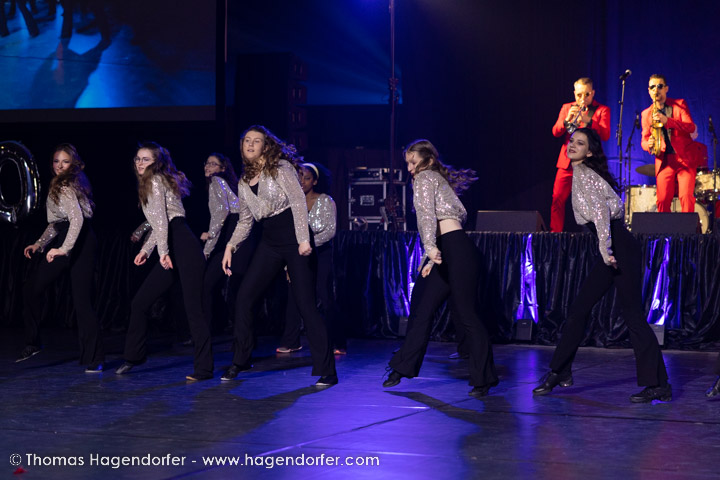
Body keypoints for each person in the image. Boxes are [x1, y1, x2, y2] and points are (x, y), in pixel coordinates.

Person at [533, 128, 671, 402]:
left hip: (618, 247)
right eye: (572, 141)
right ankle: (560, 371)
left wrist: (606, 251)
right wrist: (606, 250)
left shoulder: (586, 176)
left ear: (589, 152)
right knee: (579, 309)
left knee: (633, 316)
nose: (573, 145)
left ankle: (659, 385)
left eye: (580, 143)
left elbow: (601, 216)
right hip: (611, 246)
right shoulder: (580, 174)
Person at [221, 125, 337, 386]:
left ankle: (327, 369)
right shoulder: (243, 181)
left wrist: (303, 239)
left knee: (306, 304)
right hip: (270, 241)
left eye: (256, 141)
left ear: (266, 146)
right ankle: (241, 359)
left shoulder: (281, 168)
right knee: (244, 297)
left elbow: (297, 202)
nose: (250, 144)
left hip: (294, 236)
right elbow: (245, 221)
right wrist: (230, 246)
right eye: (247, 140)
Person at [383, 139, 498, 397]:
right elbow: (447, 219)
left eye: (413, 163)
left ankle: (484, 377)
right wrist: (430, 257)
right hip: (450, 249)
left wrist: (429, 248)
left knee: (466, 314)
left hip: (454, 249)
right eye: (407, 164)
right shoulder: (438, 180)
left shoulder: (425, 178)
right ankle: (402, 366)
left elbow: (426, 217)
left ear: (428, 161)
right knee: (423, 305)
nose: (410, 169)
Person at [116, 142, 213, 381]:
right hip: (170, 244)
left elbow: (163, 222)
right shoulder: (150, 183)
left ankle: (204, 369)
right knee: (140, 302)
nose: (139, 163)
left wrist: (161, 252)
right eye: (137, 158)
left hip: (182, 245)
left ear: (156, 163)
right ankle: (134, 356)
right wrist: (147, 251)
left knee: (193, 310)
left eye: (145, 159)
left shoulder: (156, 180)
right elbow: (159, 223)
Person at [18, 143, 104, 372]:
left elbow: (77, 220)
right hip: (70, 236)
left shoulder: (66, 185)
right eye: (56, 161)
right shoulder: (61, 183)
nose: (59, 165)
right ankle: (33, 343)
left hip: (81, 240)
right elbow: (57, 223)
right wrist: (39, 244)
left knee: (82, 301)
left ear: (73, 164)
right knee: (32, 288)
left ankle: (94, 358)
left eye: (65, 161)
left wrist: (64, 249)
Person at [278, 162, 345, 355]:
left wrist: (306, 244)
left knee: (324, 294)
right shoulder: (292, 203)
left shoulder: (325, 200)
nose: (302, 182)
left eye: (306, 178)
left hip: (320, 252)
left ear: (315, 181)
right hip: (298, 254)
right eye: (299, 177)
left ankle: (336, 342)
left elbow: (330, 231)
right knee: (294, 294)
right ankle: (291, 341)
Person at [200, 152, 254, 334]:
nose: (208, 166)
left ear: (222, 169)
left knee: (210, 284)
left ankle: (206, 331)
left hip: (234, 231)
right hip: (241, 232)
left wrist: (209, 241)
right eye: (207, 163)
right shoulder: (226, 184)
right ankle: (232, 329)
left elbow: (221, 213)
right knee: (234, 285)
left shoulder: (217, 181)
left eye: (213, 164)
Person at [551, 77, 611, 232]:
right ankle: (555, 235)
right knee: (557, 199)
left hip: (590, 163)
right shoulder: (567, 108)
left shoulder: (602, 110)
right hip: (567, 162)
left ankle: (594, 236)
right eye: (579, 95)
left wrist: (588, 121)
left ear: (593, 93)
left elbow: (605, 134)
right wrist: (567, 120)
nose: (582, 98)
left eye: (586, 94)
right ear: (574, 94)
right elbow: (556, 131)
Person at [641, 74, 698, 213]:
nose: (656, 90)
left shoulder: (679, 105)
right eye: (652, 87)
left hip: (684, 159)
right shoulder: (646, 114)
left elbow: (691, 127)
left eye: (659, 86)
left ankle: (688, 227)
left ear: (666, 88)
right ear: (649, 91)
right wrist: (649, 144)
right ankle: (664, 228)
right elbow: (643, 140)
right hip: (664, 161)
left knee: (686, 197)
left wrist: (668, 121)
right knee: (662, 200)